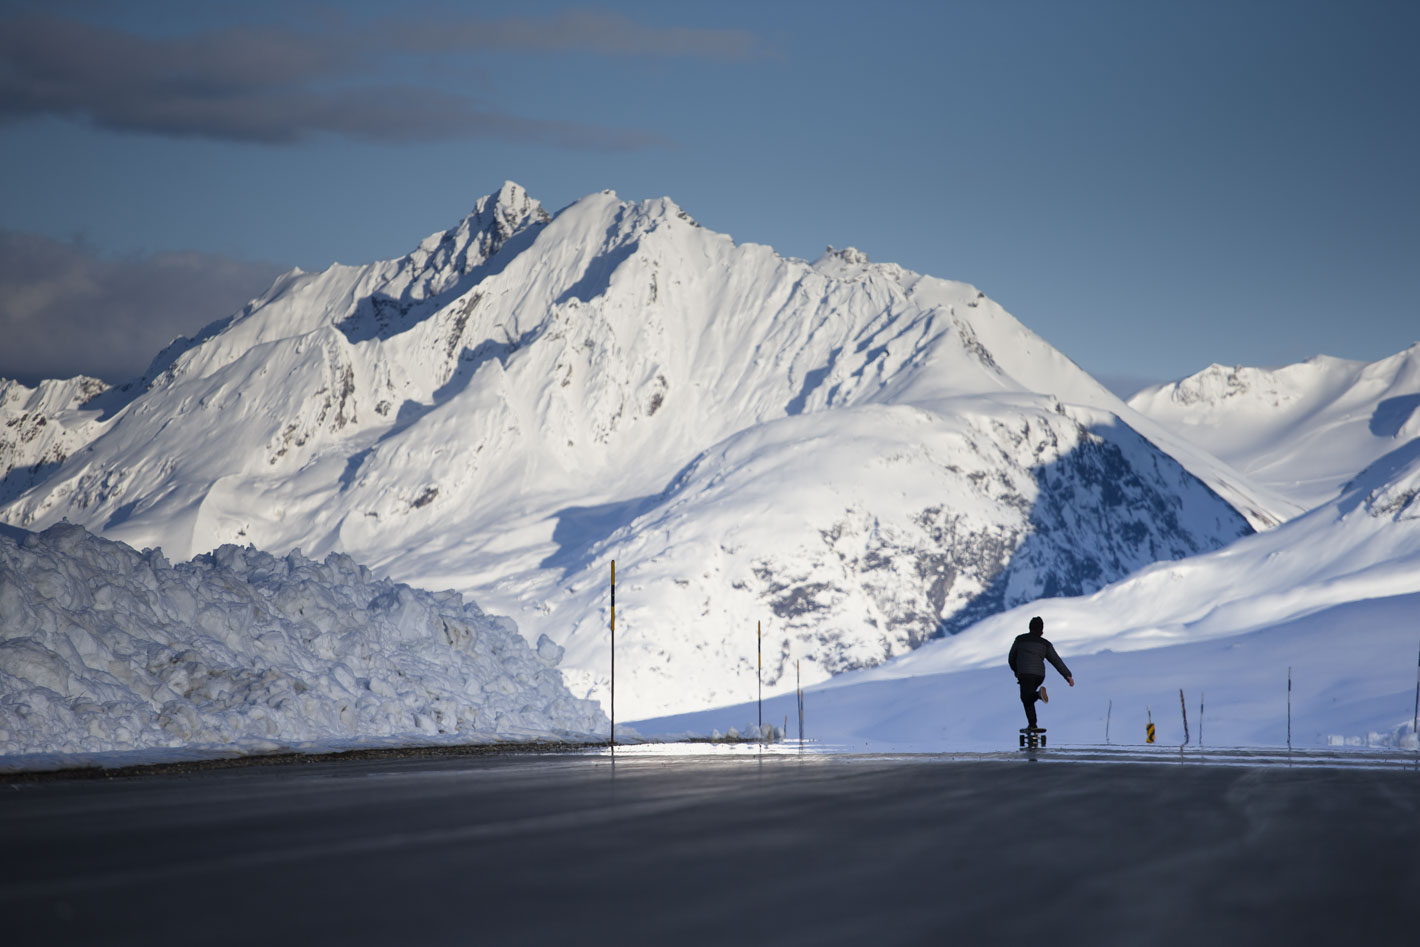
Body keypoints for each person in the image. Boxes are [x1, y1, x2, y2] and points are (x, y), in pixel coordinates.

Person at [1008, 616, 1074, 731]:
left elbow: (1011, 657)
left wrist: (1016, 670)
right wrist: (1067, 676)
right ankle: (1033, 723)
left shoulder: (1020, 639)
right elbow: (1056, 661)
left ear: (1029, 628)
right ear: (1042, 631)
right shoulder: (1046, 644)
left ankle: (1037, 701)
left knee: (1026, 697)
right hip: (1039, 675)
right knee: (1028, 696)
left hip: (1024, 674)